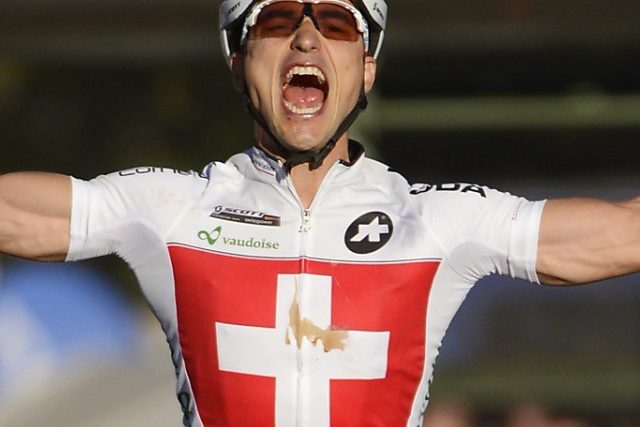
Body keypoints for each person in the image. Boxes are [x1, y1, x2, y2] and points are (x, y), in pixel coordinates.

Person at [0, 0, 638, 425]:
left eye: (336, 23)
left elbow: (621, 236)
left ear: (366, 69)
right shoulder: (170, 209)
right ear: (238, 62)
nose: (306, 37)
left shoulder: (437, 221)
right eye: (277, 20)